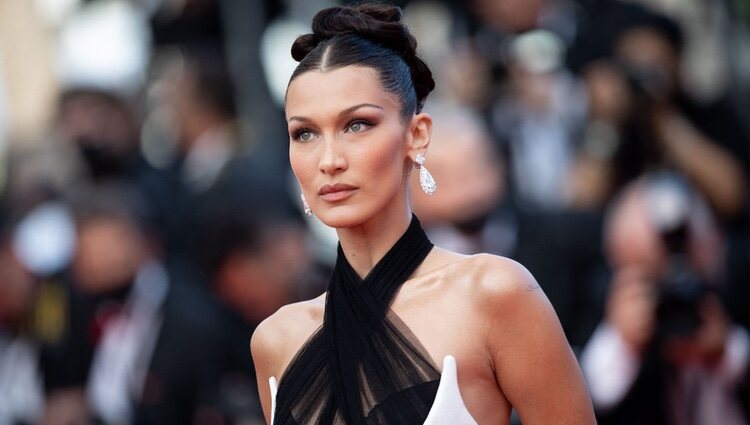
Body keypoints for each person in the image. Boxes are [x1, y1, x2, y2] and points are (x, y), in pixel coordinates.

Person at [250, 3, 595, 425]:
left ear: (416, 135)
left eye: (357, 124)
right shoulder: (276, 339)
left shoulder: (493, 294)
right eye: (304, 133)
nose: (329, 159)